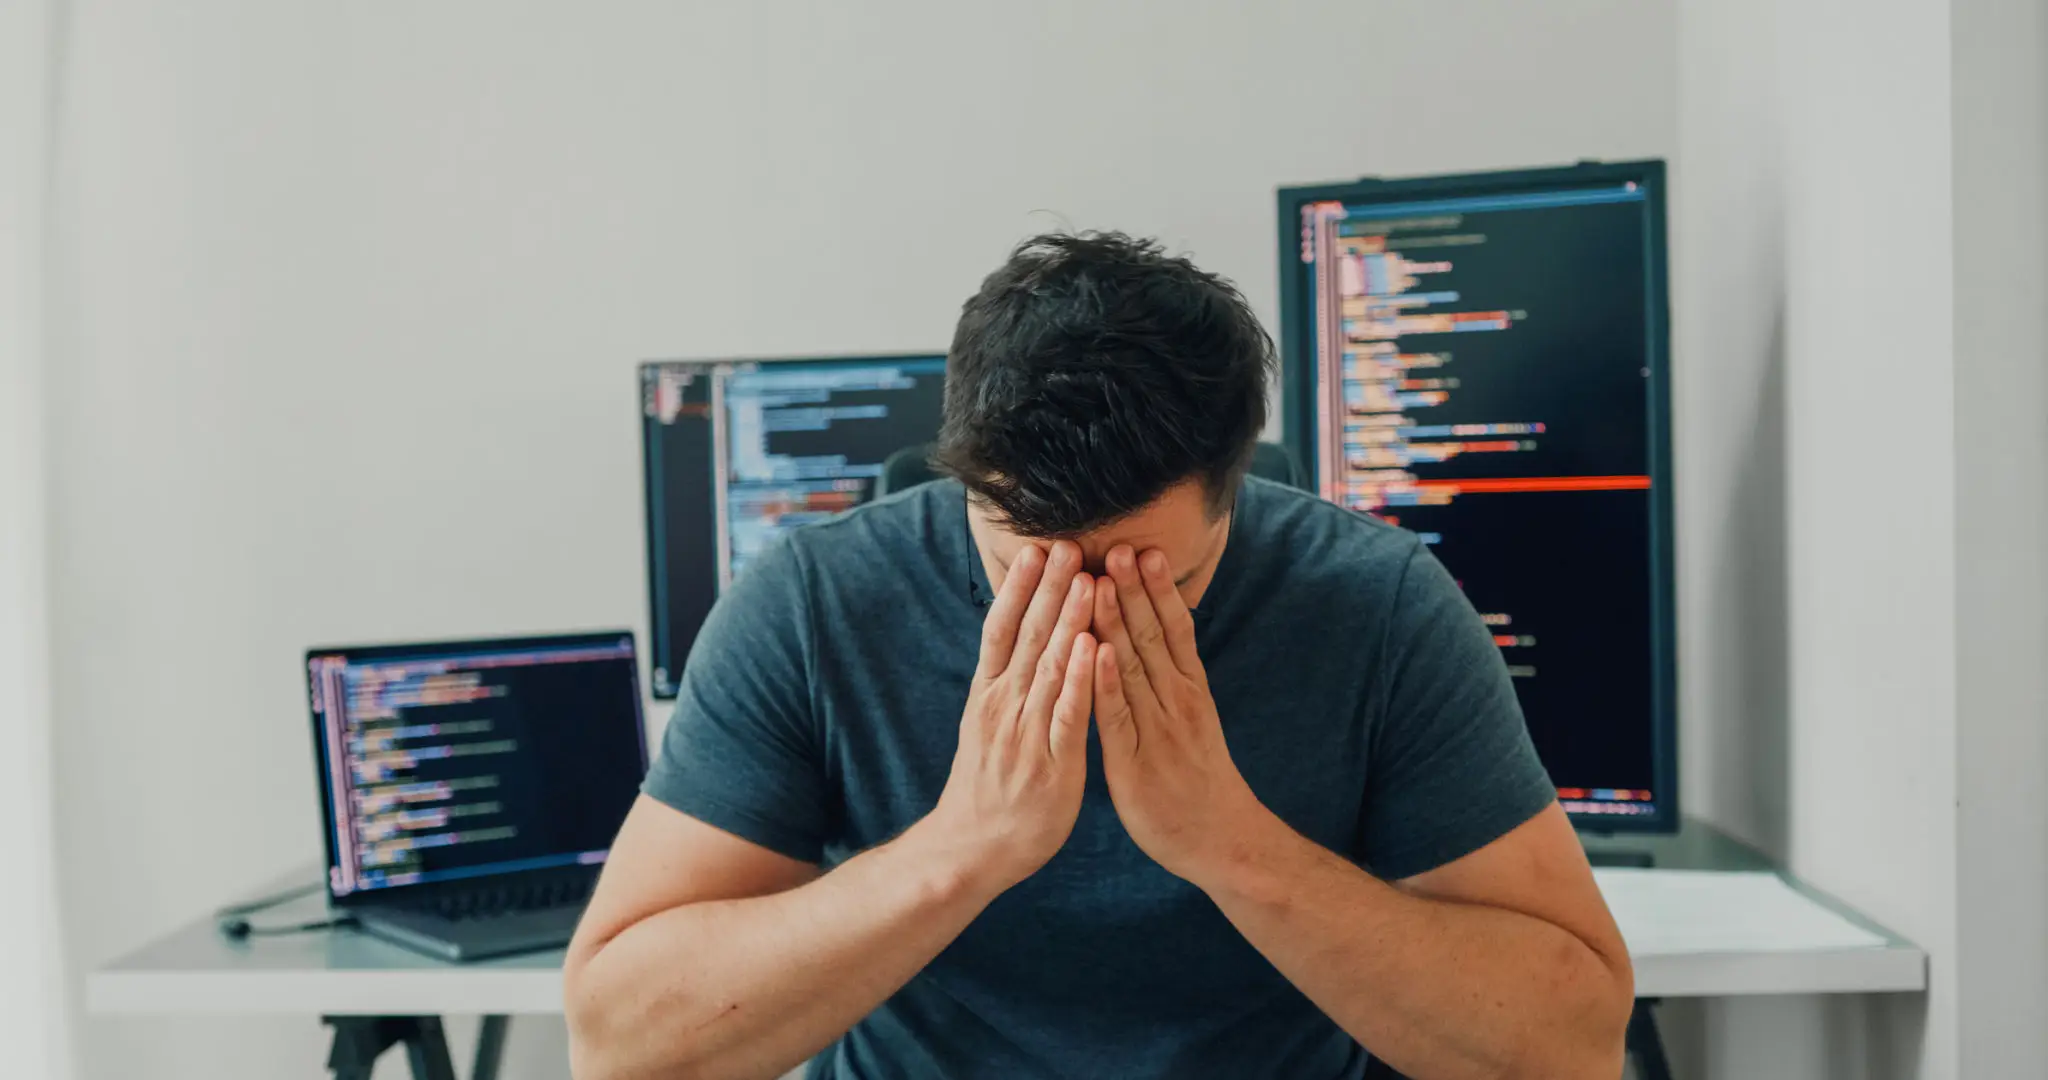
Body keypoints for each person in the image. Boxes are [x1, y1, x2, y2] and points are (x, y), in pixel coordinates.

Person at [564, 232, 1634, 1080]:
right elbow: (620, 1043)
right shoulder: (809, 606)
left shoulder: (1381, 607)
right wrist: (963, 849)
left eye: (1139, 580)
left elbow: (1569, 1044)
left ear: (1237, 494)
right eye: (1022, 567)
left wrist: (1231, 846)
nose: (1075, 624)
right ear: (965, 480)